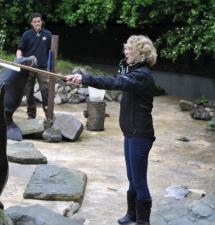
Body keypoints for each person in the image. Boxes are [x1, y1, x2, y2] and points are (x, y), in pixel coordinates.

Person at [65, 35, 157, 225]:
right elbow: (119, 78)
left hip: (140, 135)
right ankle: (132, 215)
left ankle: (143, 222)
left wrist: (85, 79)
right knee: (132, 179)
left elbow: (114, 82)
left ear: (140, 53)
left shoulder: (142, 76)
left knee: (139, 182)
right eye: (126, 49)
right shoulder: (135, 72)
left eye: (129, 50)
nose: (126, 53)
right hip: (130, 133)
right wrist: (81, 79)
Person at [16, 12, 52, 119]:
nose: (37, 23)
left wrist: (52, 67)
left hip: (43, 68)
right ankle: (31, 115)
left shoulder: (48, 34)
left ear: (42, 22)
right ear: (32, 23)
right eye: (35, 22)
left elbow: (52, 51)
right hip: (29, 68)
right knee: (29, 91)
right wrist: (18, 59)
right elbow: (20, 49)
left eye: (39, 21)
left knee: (45, 91)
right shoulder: (26, 34)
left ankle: (48, 115)